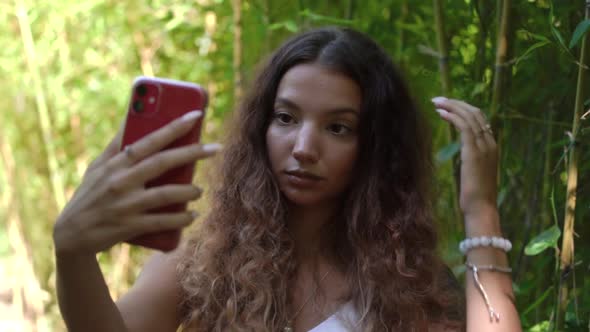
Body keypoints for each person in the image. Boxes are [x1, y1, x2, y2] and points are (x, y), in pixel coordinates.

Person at [53, 27, 521, 331]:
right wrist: (72, 252)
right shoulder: (201, 263)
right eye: (285, 118)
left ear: (375, 148)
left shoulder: (410, 281)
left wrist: (481, 211)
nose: (302, 147)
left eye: (338, 127)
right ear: (262, 127)